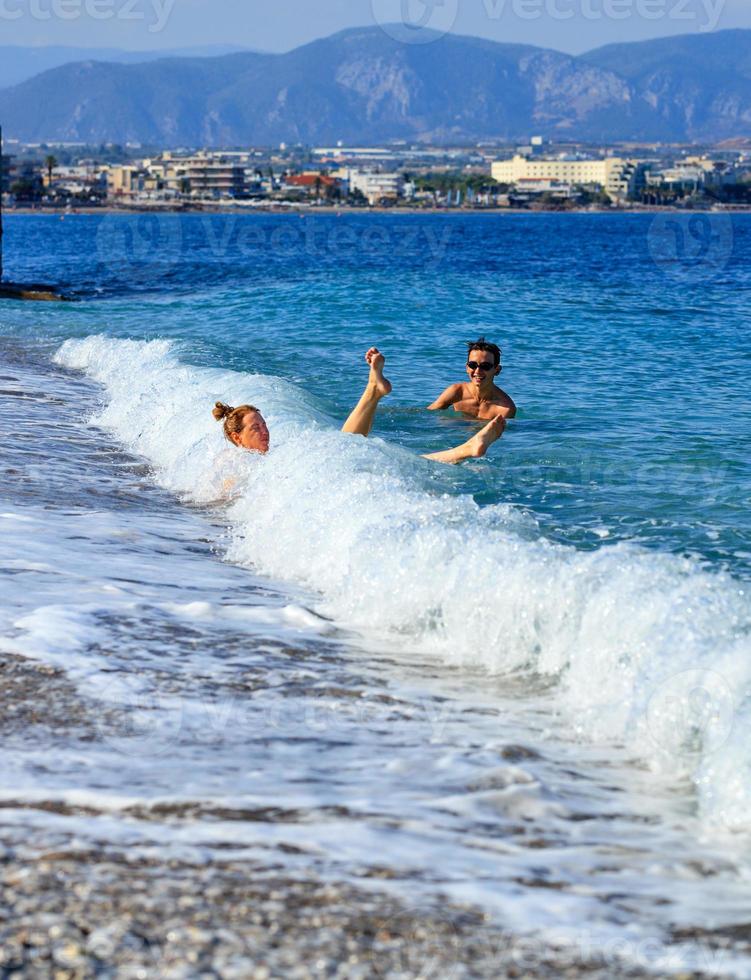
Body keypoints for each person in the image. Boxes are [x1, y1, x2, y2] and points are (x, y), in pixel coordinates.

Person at [214, 348, 505, 466]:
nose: (265, 431)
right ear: (237, 438)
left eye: (264, 424)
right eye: (256, 427)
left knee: (360, 449)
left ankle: (373, 391)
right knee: (401, 461)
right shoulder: (235, 462)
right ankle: (466, 449)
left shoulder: (261, 458)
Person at [428, 338, 516, 420]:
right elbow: (428, 415)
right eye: (472, 365)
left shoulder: (505, 408)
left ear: (497, 370)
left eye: (485, 366)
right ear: (467, 368)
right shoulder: (457, 392)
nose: (477, 371)